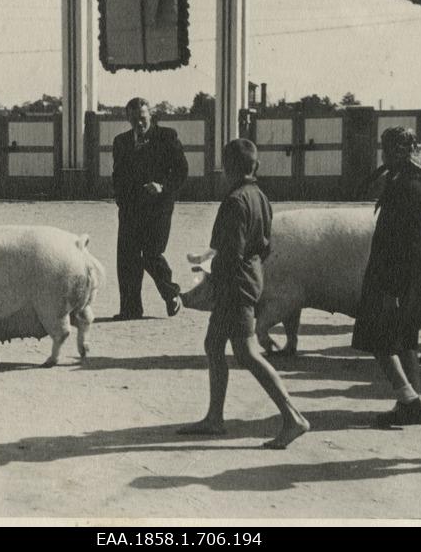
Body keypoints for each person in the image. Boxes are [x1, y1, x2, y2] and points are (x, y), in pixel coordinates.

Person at [178, 139, 309, 449]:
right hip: (250, 277)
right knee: (214, 345)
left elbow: (231, 251)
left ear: (229, 168)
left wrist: (209, 276)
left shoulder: (234, 201)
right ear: (256, 166)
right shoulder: (260, 197)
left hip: (233, 284)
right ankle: (214, 418)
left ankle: (293, 418)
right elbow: (265, 247)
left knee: (247, 352)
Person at [351, 126, 421, 426]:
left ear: (400, 151)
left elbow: (405, 241)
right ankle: (414, 399)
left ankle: (409, 400)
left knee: (379, 338)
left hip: (395, 275)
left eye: (388, 149)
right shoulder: (407, 178)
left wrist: (392, 289)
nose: (384, 155)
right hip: (402, 273)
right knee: (404, 340)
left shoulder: (407, 185)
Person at [112, 97, 188, 319]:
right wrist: (121, 201)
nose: (139, 124)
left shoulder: (167, 137)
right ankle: (130, 309)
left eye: (143, 118)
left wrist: (163, 187)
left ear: (150, 116)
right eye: (134, 119)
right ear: (128, 118)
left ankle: (171, 294)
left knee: (152, 254)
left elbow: (182, 171)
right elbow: (117, 175)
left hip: (158, 208)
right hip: (130, 209)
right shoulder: (121, 142)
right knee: (127, 258)